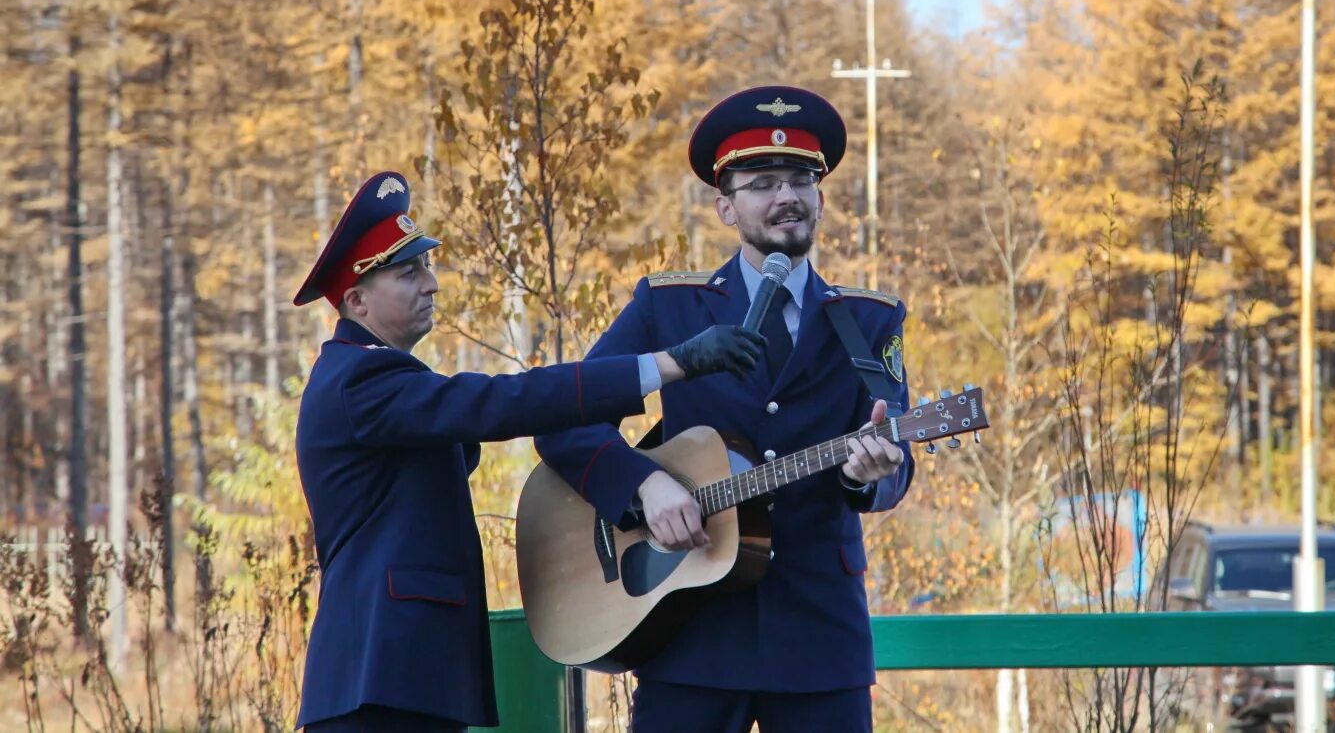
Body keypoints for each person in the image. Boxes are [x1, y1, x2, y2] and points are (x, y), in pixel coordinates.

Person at [290, 170, 765, 733]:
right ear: (357, 300)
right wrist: (669, 364)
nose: (431, 284)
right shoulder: (358, 381)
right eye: (407, 272)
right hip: (377, 677)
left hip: (401, 675)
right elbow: (504, 402)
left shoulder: (379, 377)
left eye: (427, 265)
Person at [534, 86, 914, 733]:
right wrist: (643, 485)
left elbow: (895, 464)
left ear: (821, 197)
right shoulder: (670, 306)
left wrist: (868, 476)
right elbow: (565, 416)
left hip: (819, 639)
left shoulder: (870, 320)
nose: (786, 196)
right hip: (688, 633)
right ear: (725, 205)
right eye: (763, 182)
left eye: (801, 179)